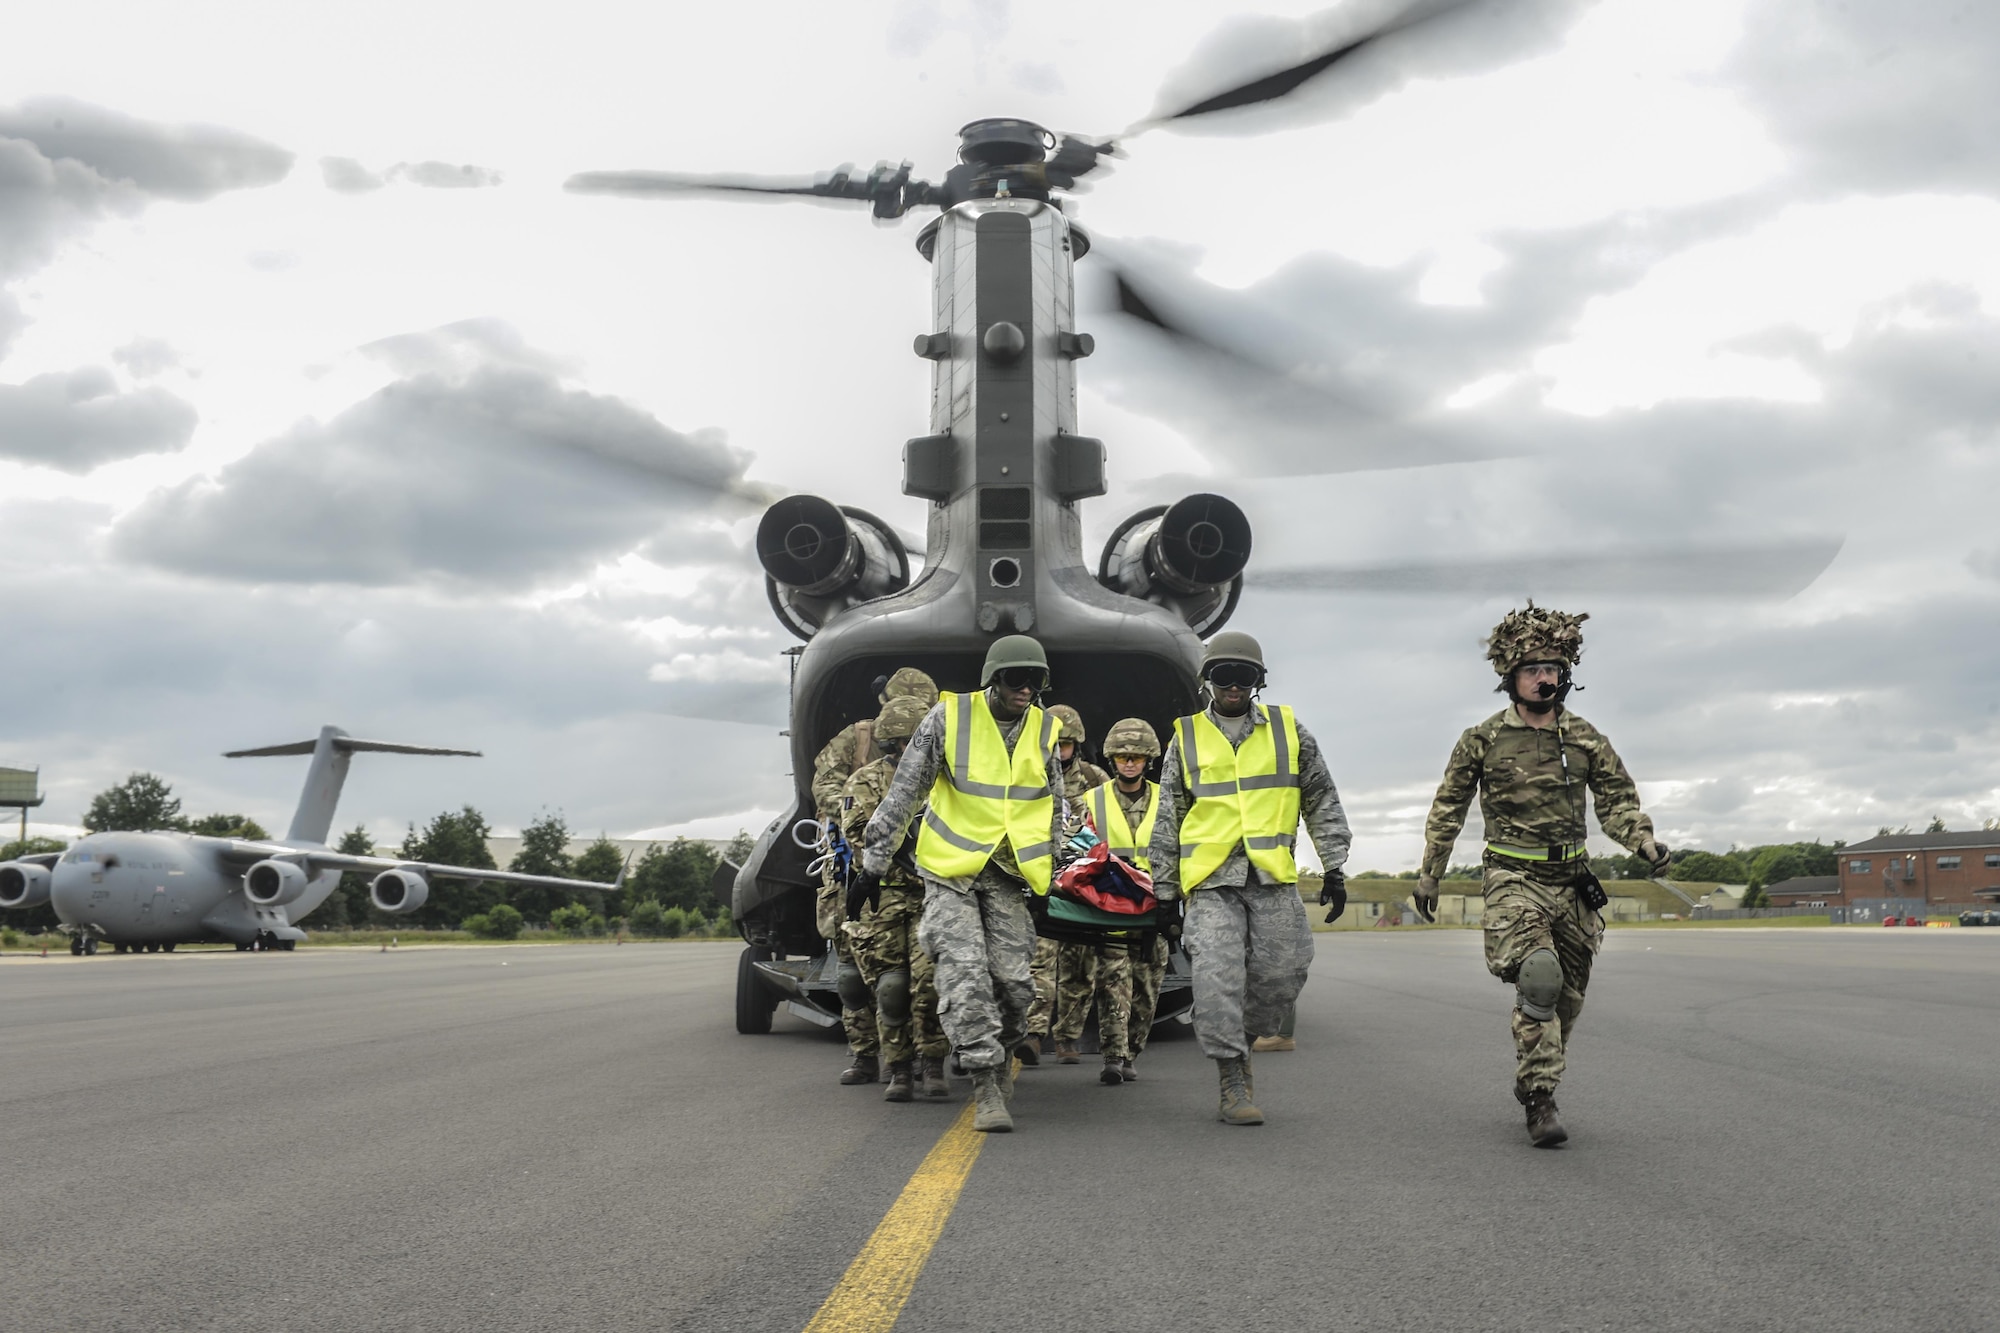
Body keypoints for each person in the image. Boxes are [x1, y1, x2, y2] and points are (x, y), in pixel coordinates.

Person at [1417, 604, 1670, 1147]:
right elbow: (1448, 808)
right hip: (1511, 875)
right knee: (1539, 977)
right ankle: (1539, 1097)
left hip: (1572, 879)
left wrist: (1642, 841)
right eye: (1533, 668)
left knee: (1568, 1000)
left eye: (1554, 668)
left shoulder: (1584, 737)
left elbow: (1618, 802)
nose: (1545, 677)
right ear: (1511, 675)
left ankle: (1537, 1074)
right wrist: (1430, 875)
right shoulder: (1480, 740)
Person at [858, 635, 1066, 1133]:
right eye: (1016, 679)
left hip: (1009, 876)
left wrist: (1050, 877)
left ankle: (1002, 1055)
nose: (1026, 689)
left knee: (1015, 988)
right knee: (965, 974)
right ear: (993, 680)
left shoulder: (1044, 730)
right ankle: (986, 1084)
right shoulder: (949, 719)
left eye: (1035, 680)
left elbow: (1053, 805)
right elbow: (907, 789)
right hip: (950, 871)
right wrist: (874, 862)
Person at [1150, 631, 1351, 1126]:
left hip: (1272, 877)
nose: (1233, 685)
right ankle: (1232, 1080)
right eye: (1223, 675)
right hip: (1212, 880)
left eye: (1243, 675)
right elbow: (1168, 814)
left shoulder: (1290, 731)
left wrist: (1335, 865)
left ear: (1258, 681)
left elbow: (1321, 797)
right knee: (1216, 980)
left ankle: (1245, 1034)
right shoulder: (1187, 737)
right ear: (1208, 682)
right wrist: (1163, 891)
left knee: (1284, 972)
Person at [812, 667, 938, 1087]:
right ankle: (866, 1053)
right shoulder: (859, 739)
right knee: (854, 976)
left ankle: (923, 1056)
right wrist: (865, 810)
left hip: (917, 877)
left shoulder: (941, 756)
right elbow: (825, 784)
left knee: (922, 979)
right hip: (856, 865)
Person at [838, 696, 952, 1102]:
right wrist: (909, 845)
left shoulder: (944, 779)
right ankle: (899, 1067)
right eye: (900, 742)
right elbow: (860, 837)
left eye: (915, 742)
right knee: (891, 988)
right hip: (882, 901)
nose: (907, 751)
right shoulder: (865, 782)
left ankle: (933, 1063)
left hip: (931, 896)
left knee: (931, 983)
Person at [1069, 716, 1166, 1083]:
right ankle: (1113, 1056)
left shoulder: (1166, 799)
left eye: (1137, 757)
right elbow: (1075, 849)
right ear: (1112, 760)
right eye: (1123, 756)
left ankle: (1131, 1052)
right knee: (1112, 979)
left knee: (1146, 985)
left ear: (1148, 760)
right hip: (1109, 905)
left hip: (1154, 907)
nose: (1129, 762)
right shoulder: (1092, 801)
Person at [1025, 703, 1110, 1065]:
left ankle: (1069, 1036)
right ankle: (1033, 1032)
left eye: (1066, 745)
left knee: (1080, 964)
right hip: (1044, 881)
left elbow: (1113, 825)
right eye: (1053, 744)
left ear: (1076, 745)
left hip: (1085, 882)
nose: (1059, 752)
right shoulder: (1029, 775)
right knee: (1039, 959)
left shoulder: (1094, 780)